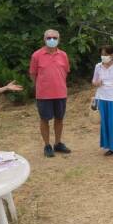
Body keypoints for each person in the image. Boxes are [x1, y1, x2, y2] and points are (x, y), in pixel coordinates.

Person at [30, 29, 72, 158]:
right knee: (44, 119)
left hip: (60, 93)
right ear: (44, 39)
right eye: (49, 38)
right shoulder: (36, 55)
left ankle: (58, 143)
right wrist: (42, 86)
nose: (51, 40)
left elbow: (66, 71)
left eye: (54, 37)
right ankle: (47, 145)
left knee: (59, 118)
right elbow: (33, 74)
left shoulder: (63, 55)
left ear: (59, 39)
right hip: (44, 94)